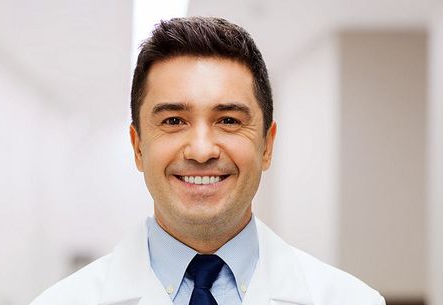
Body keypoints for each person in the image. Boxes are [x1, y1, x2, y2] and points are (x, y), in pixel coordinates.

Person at [30, 17, 385, 305]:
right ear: (138, 148)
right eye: (173, 121)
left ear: (267, 146)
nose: (201, 151)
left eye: (228, 120)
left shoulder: (353, 300)